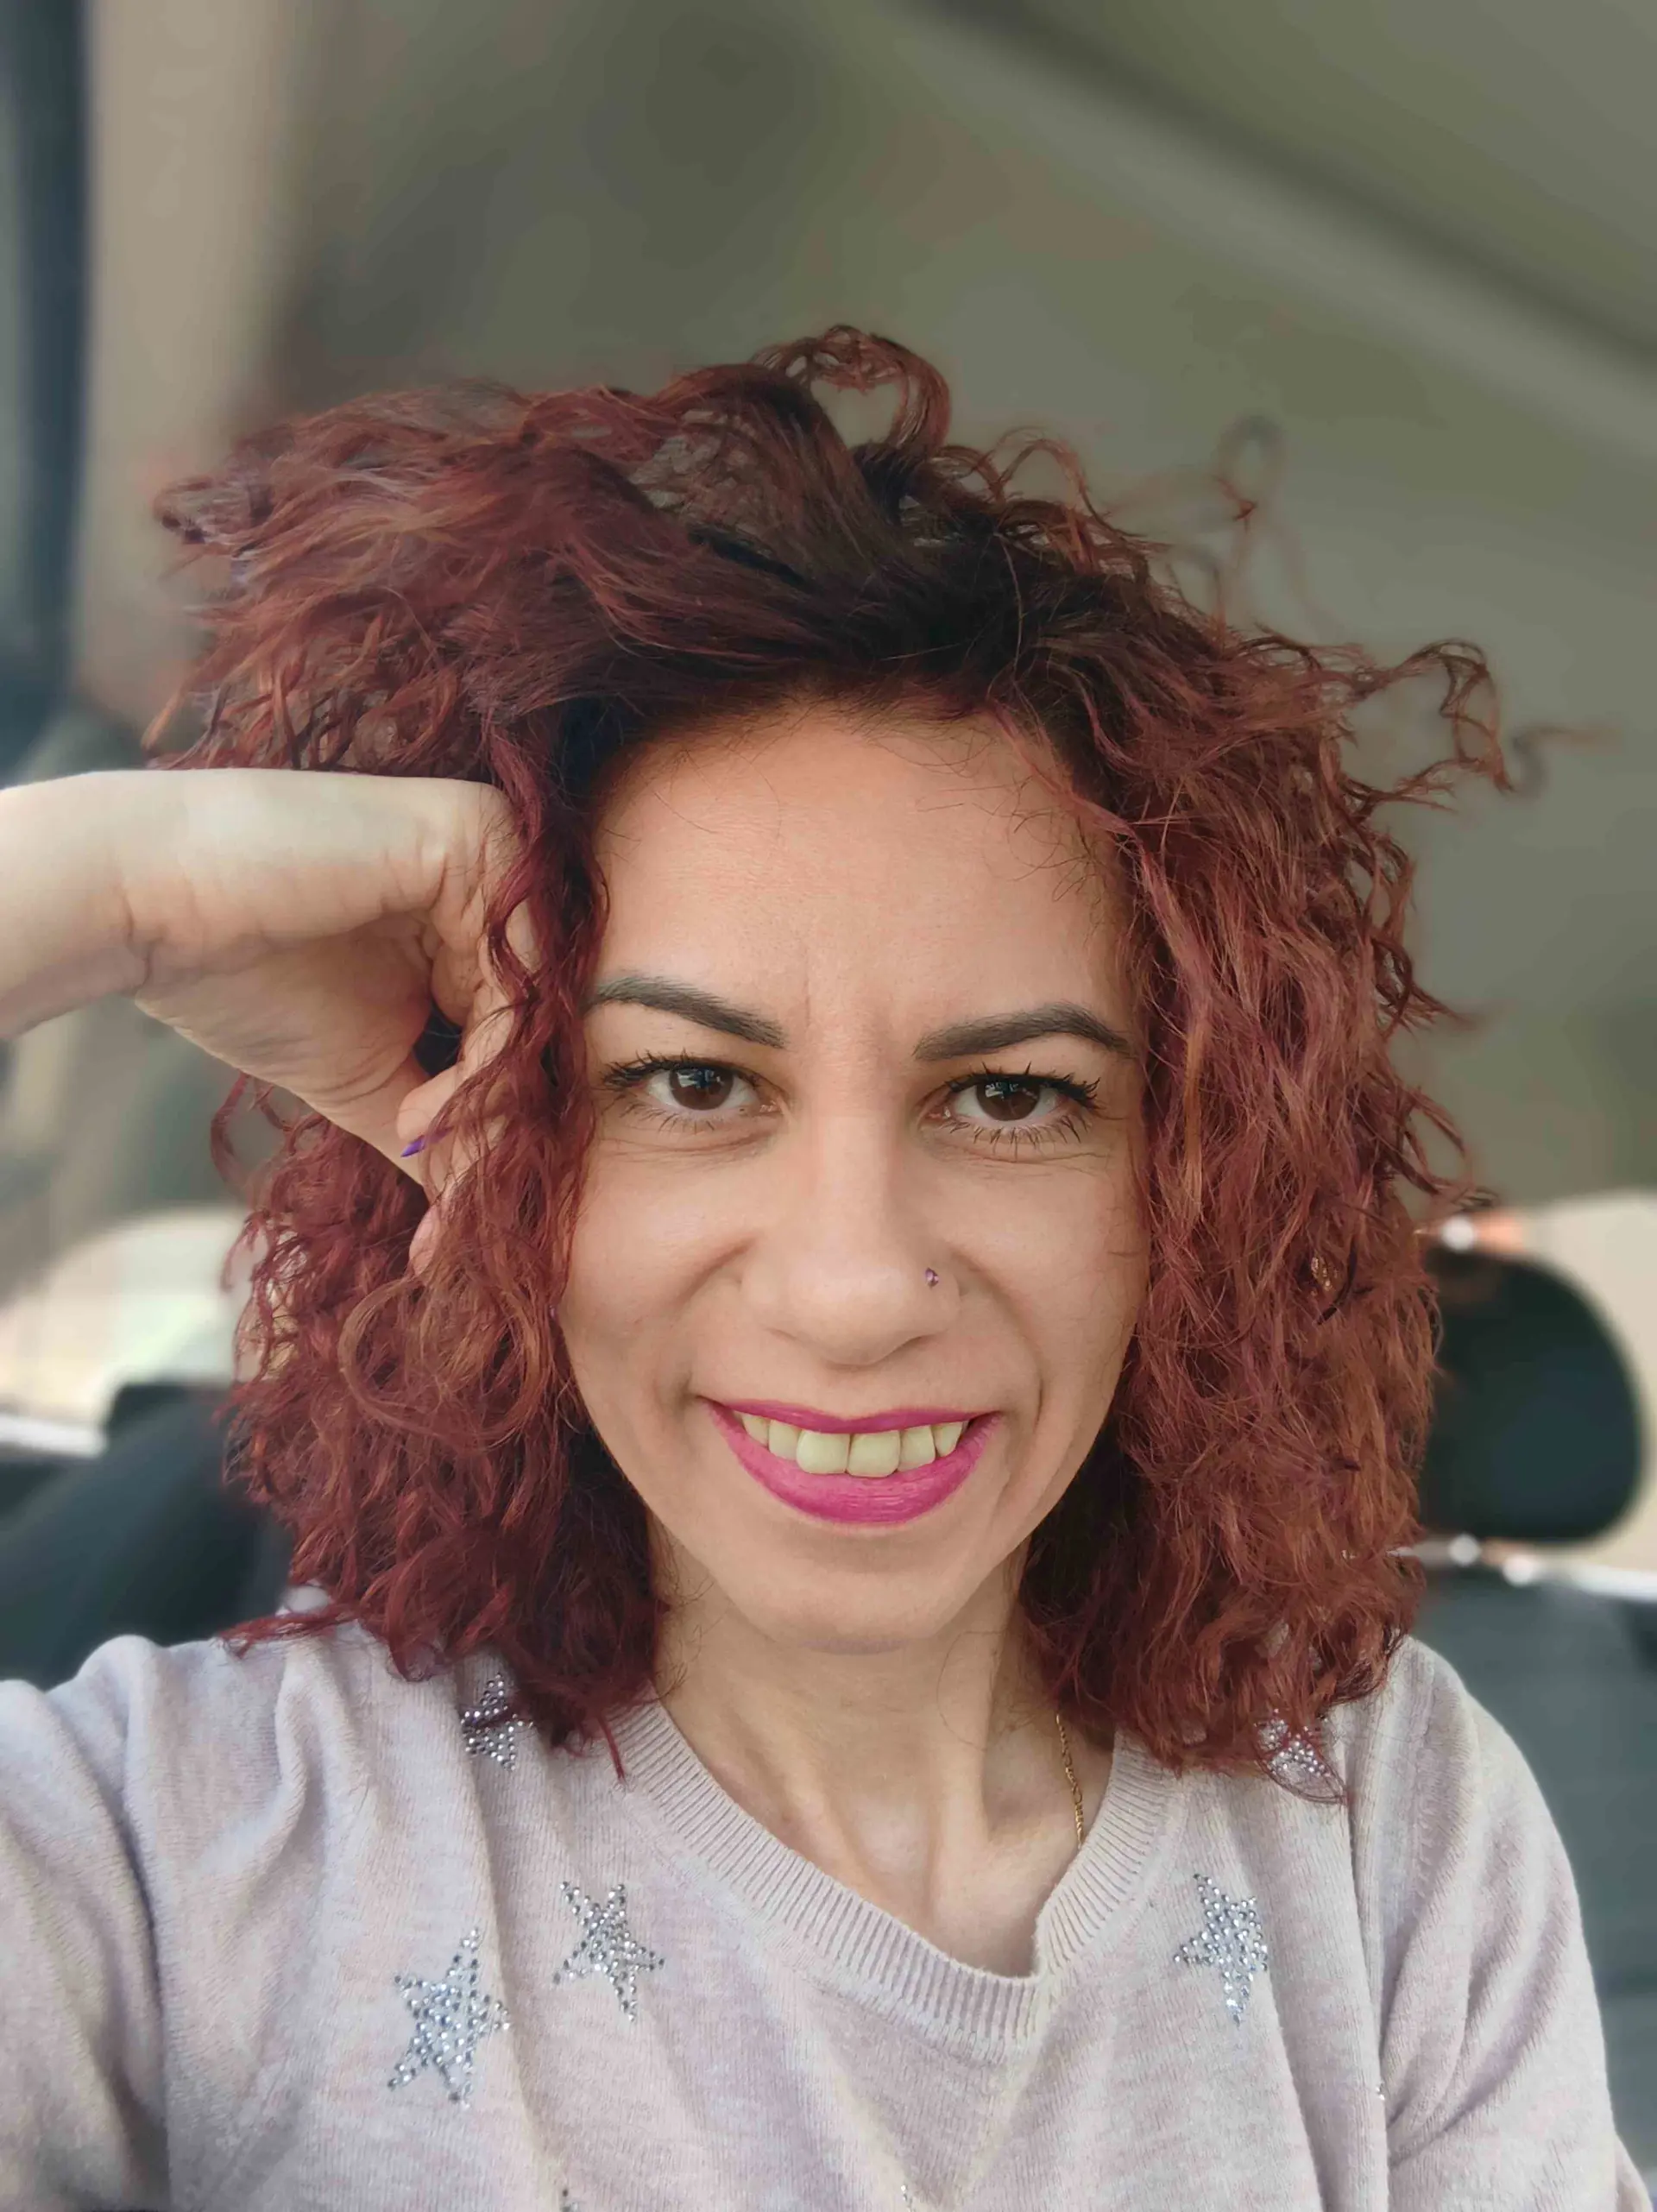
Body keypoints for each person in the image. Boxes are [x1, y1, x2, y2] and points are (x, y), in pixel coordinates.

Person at [0, 328, 1645, 2209]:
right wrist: (116, 889)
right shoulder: (193, 1849)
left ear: (1188, 1188)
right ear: (505, 1154)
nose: (854, 1292)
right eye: (692, 1082)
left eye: (1012, 1097)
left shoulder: (1391, 1835)